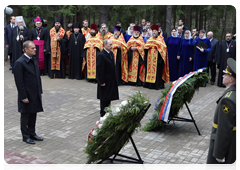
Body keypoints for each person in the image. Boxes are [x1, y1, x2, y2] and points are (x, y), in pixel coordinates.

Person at [206, 58, 238, 170]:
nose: (223, 75)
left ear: (231, 79)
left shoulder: (228, 100)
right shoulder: (235, 93)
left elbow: (224, 129)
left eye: (226, 74)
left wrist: (219, 154)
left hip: (227, 145)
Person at [13, 40, 44, 144]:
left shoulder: (34, 60)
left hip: (34, 93)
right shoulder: (20, 63)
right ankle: (25, 136)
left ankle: (32, 133)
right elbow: (19, 82)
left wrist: (40, 91)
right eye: (32, 48)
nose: (35, 49)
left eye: (35, 47)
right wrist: (23, 96)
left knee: (33, 113)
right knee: (25, 115)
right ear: (25, 49)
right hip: (26, 94)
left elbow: (37, 78)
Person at [97, 39, 119, 117]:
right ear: (105, 45)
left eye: (111, 44)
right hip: (105, 80)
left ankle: (108, 111)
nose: (111, 46)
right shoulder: (101, 55)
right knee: (104, 97)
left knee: (108, 96)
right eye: (110, 45)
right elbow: (100, 70)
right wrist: (101, 81)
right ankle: (103, 113)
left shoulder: (111, 53)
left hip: (111, 80)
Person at [144, 25, 170, 90]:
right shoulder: (150, 39)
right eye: (153, 31)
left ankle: (157, 85)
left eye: (155, 31)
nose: (154, 32)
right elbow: (146, 47)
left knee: (157, 72)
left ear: (157, 31)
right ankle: (150, 84)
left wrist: (156, 47)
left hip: (158, 59)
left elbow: (164, 49)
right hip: (150, 58)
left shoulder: (161, 39)